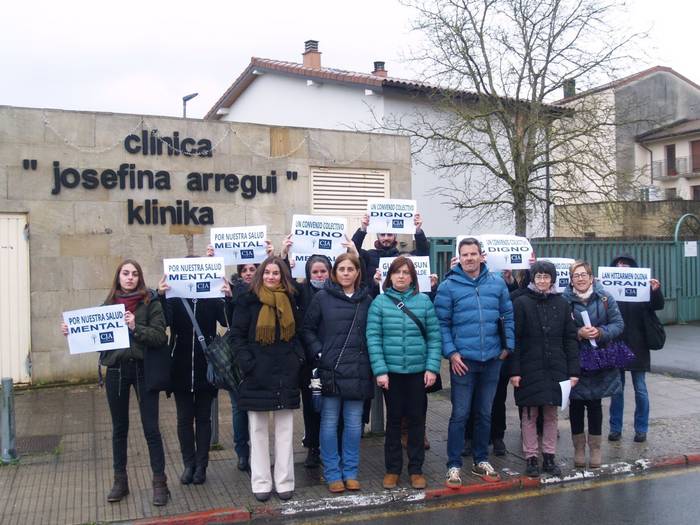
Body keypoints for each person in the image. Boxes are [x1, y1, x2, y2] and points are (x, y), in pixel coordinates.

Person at [61, 259, 169, 505]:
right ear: (118, 277)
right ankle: (120, 481)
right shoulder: (108, 305)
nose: (129, 277)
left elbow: (159, 337)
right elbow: (91, 334)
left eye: (134, 274)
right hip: (117, 372)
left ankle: (160, 483)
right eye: (125, 273)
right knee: (119, 429)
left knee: (151, 428)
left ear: (139, 278)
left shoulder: (150, 303)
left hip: (144, 370)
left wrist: (134, 327)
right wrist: (72, 331)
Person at [434, 238, 514, 487]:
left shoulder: (497, 283)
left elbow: (507, 315)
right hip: (463, 362)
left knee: (484, 413)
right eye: (465, 254)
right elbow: (441, 324)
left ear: (482, 256)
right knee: (460, 414)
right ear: (459, 258)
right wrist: (452, 353)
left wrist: (507, 347)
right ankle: (454, 465)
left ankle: (481, 460)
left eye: (473, 254)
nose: (469, 258)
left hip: (492, 359)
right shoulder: (448, 287)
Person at [230, 256, 305, 502]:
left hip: (285, 373)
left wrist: (297, 359)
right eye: (267, 273)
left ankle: (284, 482)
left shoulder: (291, 299)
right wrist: (247, 364)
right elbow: (237, 336)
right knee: (258, 430)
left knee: (285, 431)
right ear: (261, 275)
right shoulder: (246, 300)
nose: (271, 277)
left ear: (283, 277)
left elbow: (298, 334)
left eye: (276, 273)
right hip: (256, 374)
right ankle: (261, 482)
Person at [366, 256, 442, 490]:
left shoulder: (424, 302)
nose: (401, 276)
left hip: (419, 373)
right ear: (390, 277)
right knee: (394, 423)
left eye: (405, 272)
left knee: (418, 421)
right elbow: (374, 338)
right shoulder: (379, 302)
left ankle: (416, 469)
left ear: (412, 277)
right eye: (397, 272)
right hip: (392, 374)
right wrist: (380, 371)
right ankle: (392, 470)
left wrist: (432, 367)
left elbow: (434, 337)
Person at [302, 253, 374, 493]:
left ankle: (350, 472)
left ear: (357, 272)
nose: (345, 273)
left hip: (358, 370)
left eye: (350, 269)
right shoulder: (322, 297)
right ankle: (332, 473)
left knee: (354, 425)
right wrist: (320, 354)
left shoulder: (367, 300)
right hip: (330, 370)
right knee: (329, 422)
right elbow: (307, 329)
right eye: (341, 269)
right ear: (335, 273)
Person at [157, 271, 231, 486]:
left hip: (205, 367)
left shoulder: (210, 298)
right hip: (179, 367)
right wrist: (161, 296)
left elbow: (227, 321)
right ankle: (188, 464)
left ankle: (202, 465)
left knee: (203, 419)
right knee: (183, 420)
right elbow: (164, 321)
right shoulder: (175, 299)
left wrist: (227, 297)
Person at [509, 261, 579, 478]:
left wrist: (573, 371)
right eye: (538, 277)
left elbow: (570, 339)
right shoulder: (520, 303)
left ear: (552, 279)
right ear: (532, 278)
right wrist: (514, 371)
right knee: (529, 415)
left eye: (546, 277)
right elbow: (516, 340)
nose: (542, 281)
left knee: (551, 414)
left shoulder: (562, 303)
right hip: (529, 368)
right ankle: (531, 457)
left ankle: (549, 456)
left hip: (556, 367)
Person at [563, 260, 624, 469]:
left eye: (583, 275)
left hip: (599, 358)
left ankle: (596, 449)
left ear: (591, 277)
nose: (580, 278)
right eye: (576, 275)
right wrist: (577, 333)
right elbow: (560, 329)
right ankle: (579, 448)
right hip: (575, 359)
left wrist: (601, 332)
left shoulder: (605, 298)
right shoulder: (565, 301)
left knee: (595, 404)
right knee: (576, 405)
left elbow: (618, 324)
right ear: (571, 280)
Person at [607, 254, 664, 443]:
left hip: (639, 345)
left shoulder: (642, 289)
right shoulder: (609, 291)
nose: (622, 267)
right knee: (617, 389)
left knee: (640, 388)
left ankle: (641, 429)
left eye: (626, 265)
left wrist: (655, 290)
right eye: (618, 265)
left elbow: (657, 305)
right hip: (617, 344)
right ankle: (615, 428)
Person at [352, 213, 429, 288]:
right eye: (382, 235)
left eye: (389, 234)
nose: (386, 238)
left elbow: (422, 254)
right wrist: (363, 229)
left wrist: (418, 231)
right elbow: (352, 251)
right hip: (373, 298)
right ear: (377, 236)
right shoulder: (368, 255)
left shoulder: (403, 257)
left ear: (395, 236)